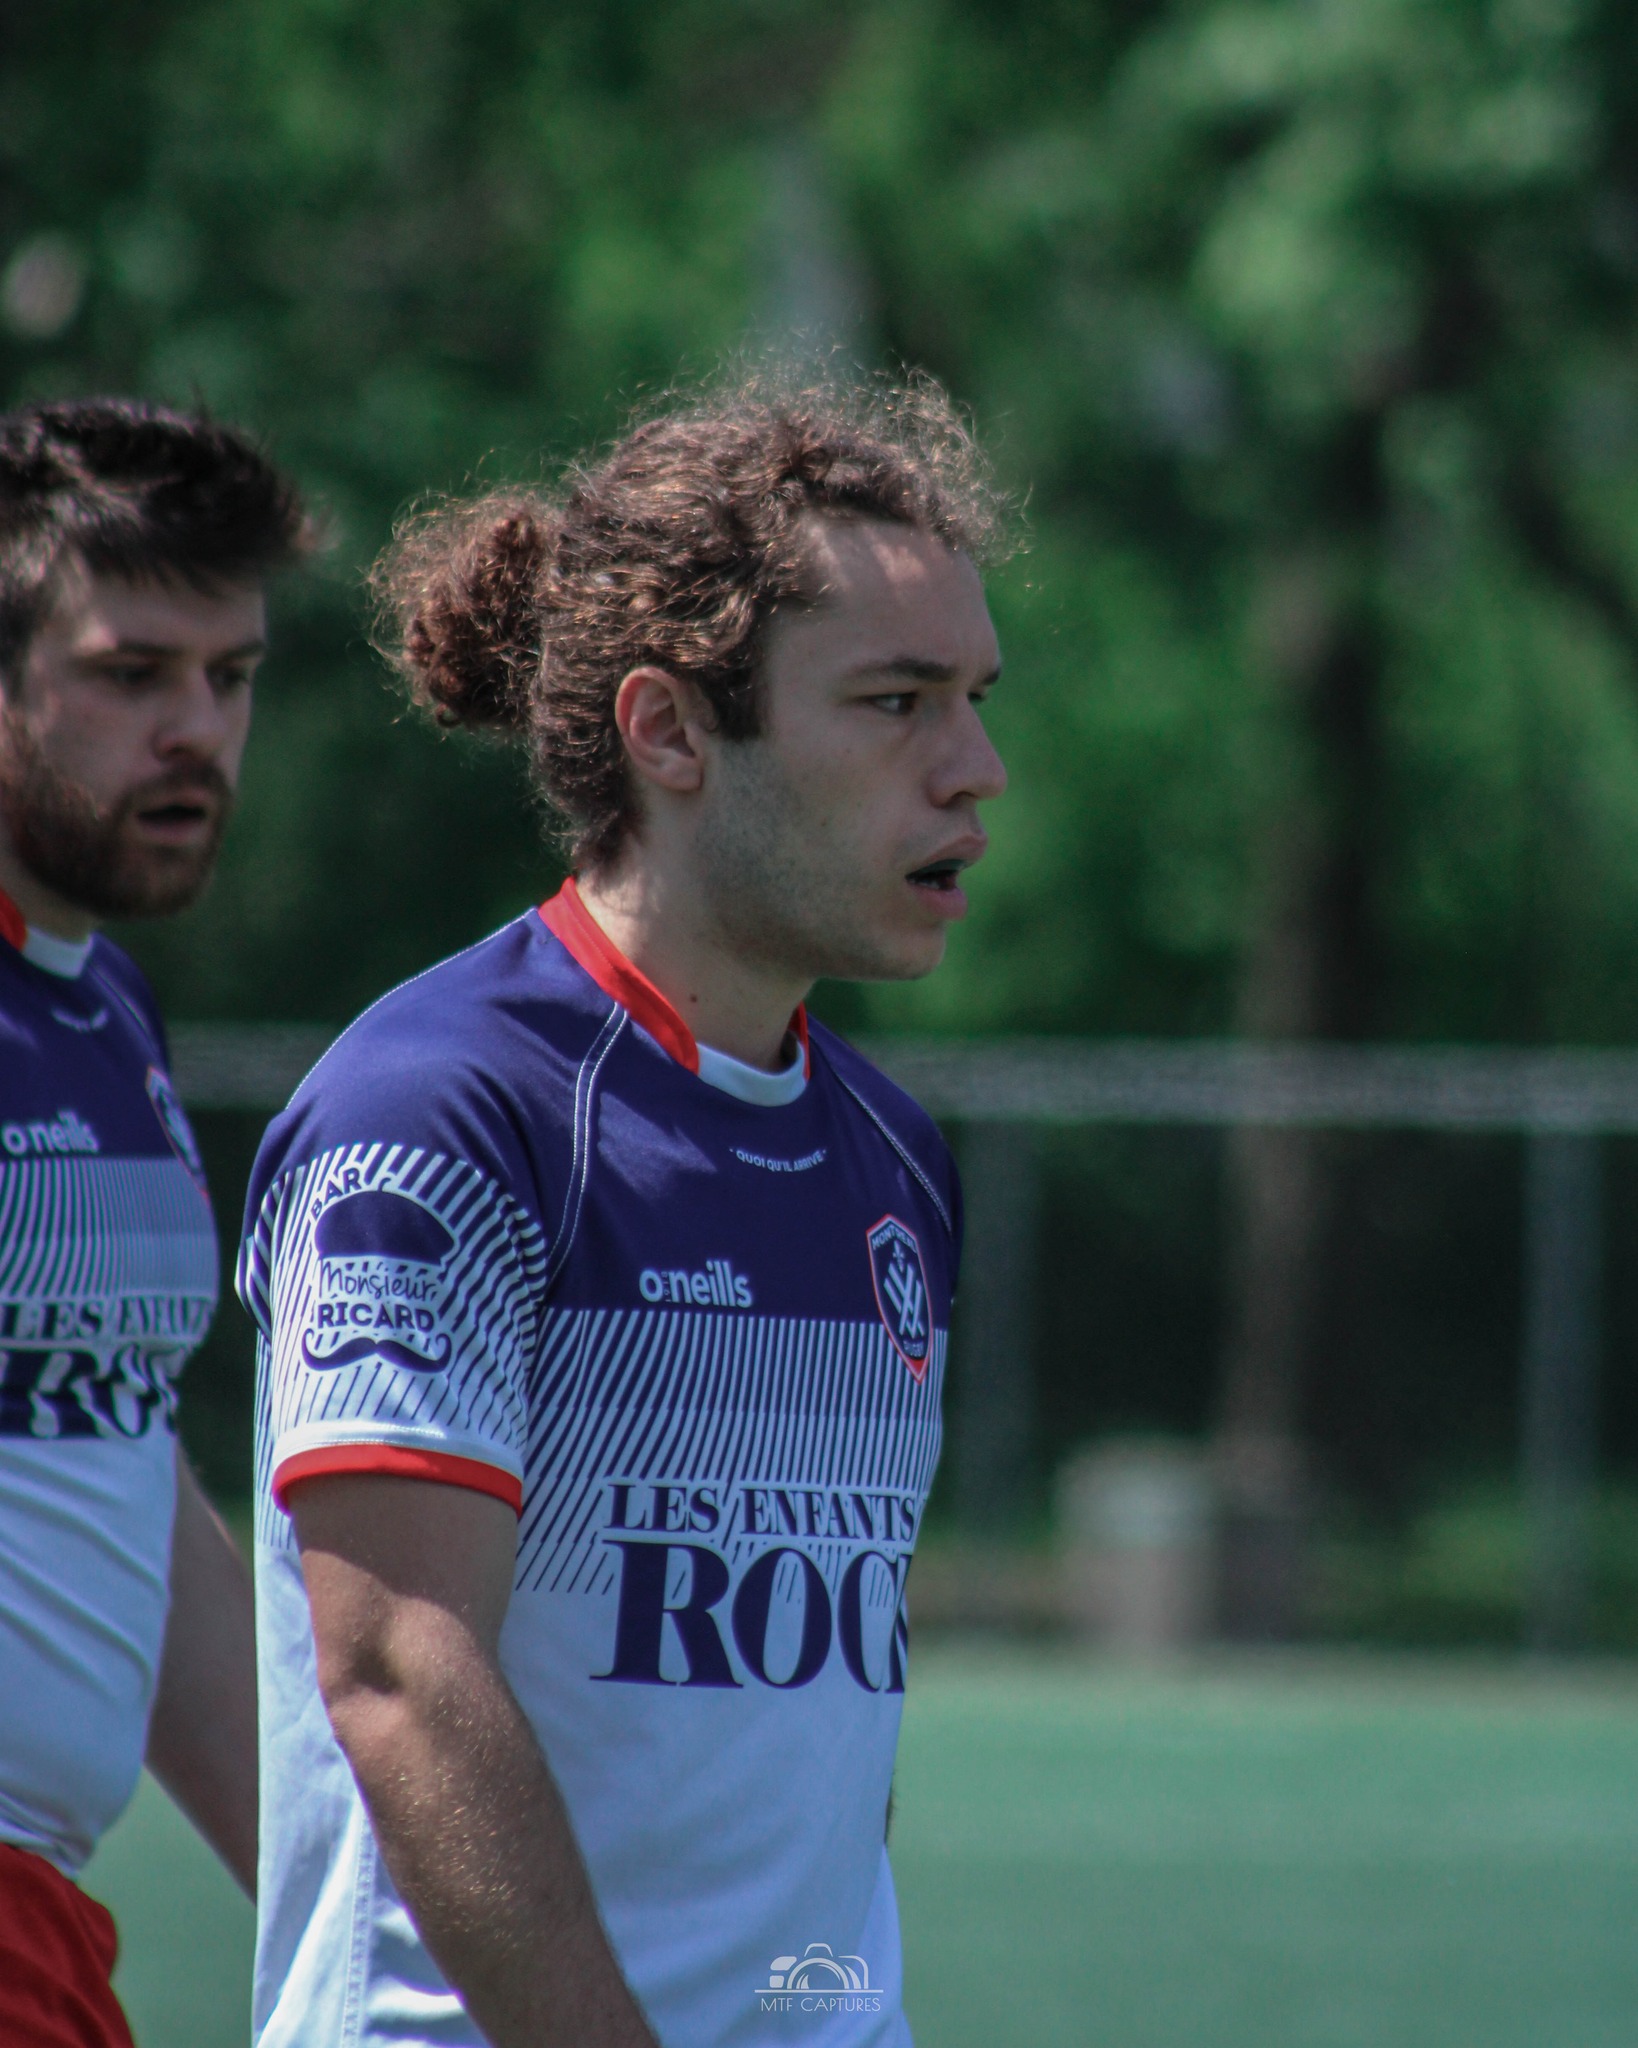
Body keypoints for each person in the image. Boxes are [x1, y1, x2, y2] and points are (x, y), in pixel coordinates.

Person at [241, 372, 1008, 2048]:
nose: (976, 769)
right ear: (667, 734)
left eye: (972, 698)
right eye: (895, 702)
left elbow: (815, 1774)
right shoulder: (438, 1116)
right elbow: (399, 1677)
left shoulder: (891, 1160)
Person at [0, 398, 313, 2048]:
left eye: (231, 676)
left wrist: (360, 1895)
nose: (197, 729)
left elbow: (112, 1458)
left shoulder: (100, 1000)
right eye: (132, 674)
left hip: (46, 1925)